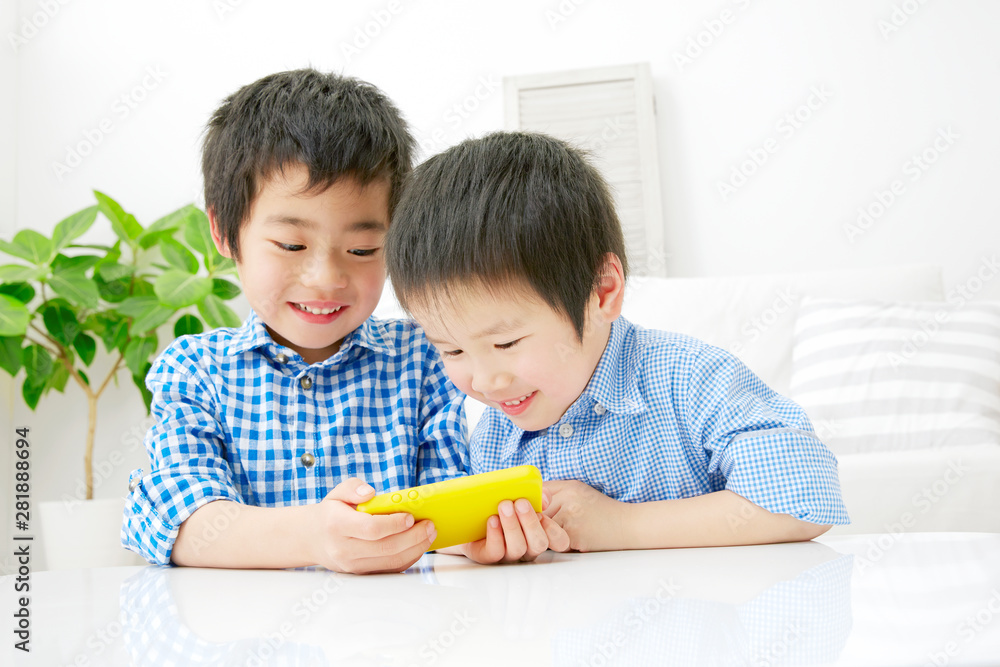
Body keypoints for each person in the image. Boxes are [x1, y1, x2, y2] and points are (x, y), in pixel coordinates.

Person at [121, 70, 554, 573]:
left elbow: (448, 495)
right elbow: (181, 522)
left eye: (362, 249)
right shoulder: (195, 370)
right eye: (291, 245)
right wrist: (312, 538)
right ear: (224, 232)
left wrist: (475, 535)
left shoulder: (425, 356)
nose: (326, 278)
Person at [384, 131, 850, 552]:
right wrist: (491, 550)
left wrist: (623, 526)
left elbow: (806, 497)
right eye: (451, 350)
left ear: (602, 291)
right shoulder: (496, 439)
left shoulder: (690, 379)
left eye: (506, 344)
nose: (485, 382)